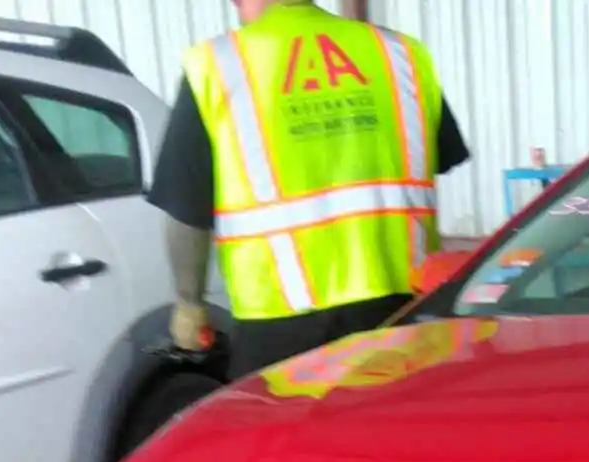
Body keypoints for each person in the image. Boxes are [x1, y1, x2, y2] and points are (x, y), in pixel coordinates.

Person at [146, 0, 471, 378]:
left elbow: (186, 212)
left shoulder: (216, 66)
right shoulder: (400, 53)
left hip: (282, 325)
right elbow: (438, 159)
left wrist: (189, 303)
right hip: (403, 306)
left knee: (291, 435)